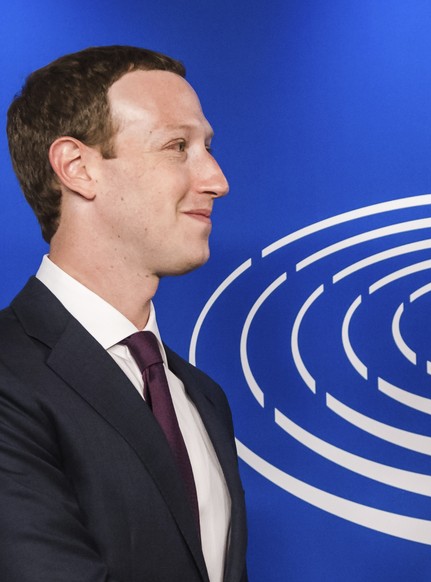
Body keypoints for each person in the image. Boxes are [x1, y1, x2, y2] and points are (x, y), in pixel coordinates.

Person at [1, 46, 247, 581]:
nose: (216, 179)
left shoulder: (202, 397)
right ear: (78, 168)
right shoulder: (6, 377)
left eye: (207, 147)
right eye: (178, 146)